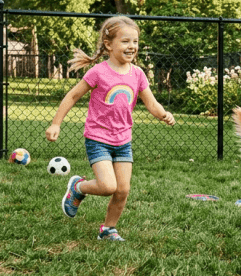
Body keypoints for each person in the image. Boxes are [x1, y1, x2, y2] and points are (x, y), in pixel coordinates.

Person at [45, 16, 175, 241]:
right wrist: (56, 123)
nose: (132, 46)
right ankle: (78, 187)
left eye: (135, 42)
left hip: (123, 140)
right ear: (109, 44)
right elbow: (73, 95)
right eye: (125, 41)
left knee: (122, 190)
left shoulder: (138, 74)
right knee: (107, 186)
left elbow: (151, 103)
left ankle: (108, 229)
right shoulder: (99, 72)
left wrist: (164, 115)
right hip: (98, 138)